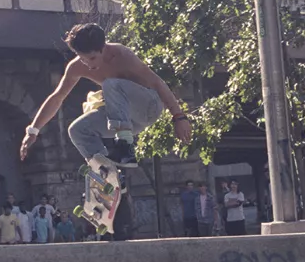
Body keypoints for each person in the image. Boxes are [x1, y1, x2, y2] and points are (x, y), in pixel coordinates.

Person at [19, 23, 192, 175]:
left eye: (93, 58)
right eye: (83, 58)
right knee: (77, 130)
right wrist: (33, 130)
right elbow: (57, 97)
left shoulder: (122, 55)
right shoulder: (76, 67)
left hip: (148, 107)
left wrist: (179, 117)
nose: (89, 64)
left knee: (110, 84)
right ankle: (106, 173)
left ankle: (125, 148)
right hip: (128, 120)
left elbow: (158, 82)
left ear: (104, 48)